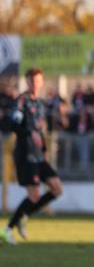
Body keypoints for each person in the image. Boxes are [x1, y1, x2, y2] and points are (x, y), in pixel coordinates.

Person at [2, 68, 65, 245]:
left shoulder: (40, 104)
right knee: (34, 194)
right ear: (27, 82)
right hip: (25, 152)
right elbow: (11, 123)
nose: (34, 84)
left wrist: (43, 147)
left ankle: (24, 217)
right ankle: (7, 230)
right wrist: (27, 131)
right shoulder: (22, 101)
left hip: (38, 154)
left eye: (37, 80)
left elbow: (39, 130)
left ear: (42, 82)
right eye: (31, 81)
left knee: (57, 188)